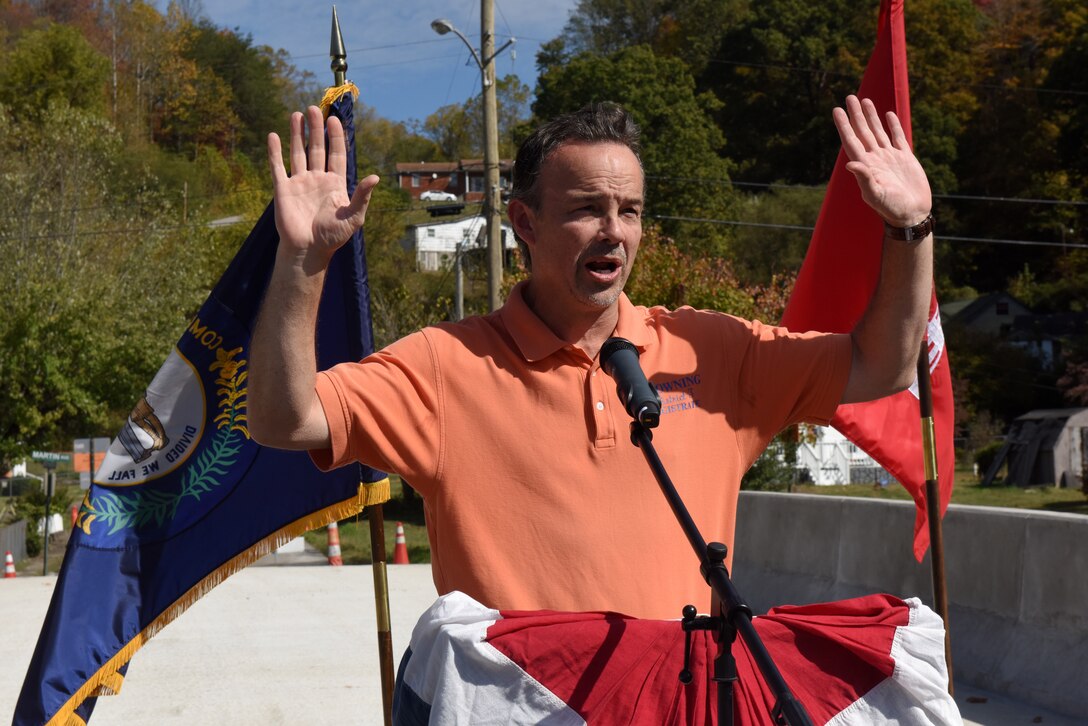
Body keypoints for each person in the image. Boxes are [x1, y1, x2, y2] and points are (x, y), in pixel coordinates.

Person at [249, 96, 933, 622]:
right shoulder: (444, 364)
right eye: (587, 208)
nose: (615, 229)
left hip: (684, 703)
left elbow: (887, 364)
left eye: (629, 210)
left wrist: (911, 229)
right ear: (525, 224)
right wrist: (304, 263)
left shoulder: (715, 350)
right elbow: (284, 419)